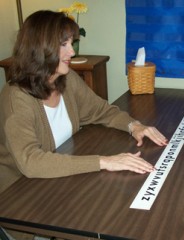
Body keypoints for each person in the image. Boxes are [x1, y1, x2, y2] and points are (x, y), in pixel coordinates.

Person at [0, 10, 168, 195]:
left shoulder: (66, 78)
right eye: (63, 44)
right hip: (18, 194)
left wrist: (134, 126)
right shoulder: (16, 97)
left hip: (59, 179)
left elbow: (100, 110)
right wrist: (104, 162)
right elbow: (30, 162)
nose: (71, 52)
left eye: (71, 43)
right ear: (40, 48)